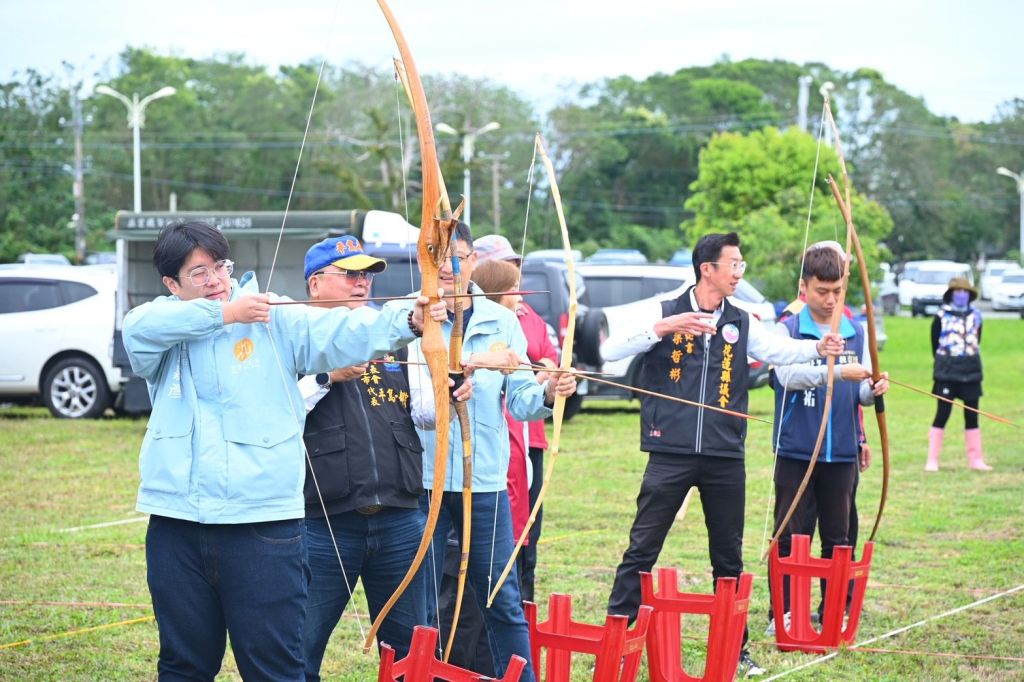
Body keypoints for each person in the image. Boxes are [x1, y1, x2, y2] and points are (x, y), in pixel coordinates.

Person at [122, 221, 447, 680]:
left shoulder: (273, 314)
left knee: (274, 666)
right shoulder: (160, 325)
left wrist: (408, 321)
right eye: (199, 273)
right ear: (172, 284)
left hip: (263, 523)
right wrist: (226, 314)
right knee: (183, 664)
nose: (215, 280)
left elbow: (341, 330)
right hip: (177, 522)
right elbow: (139, 328)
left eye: (220, 267)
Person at [602, 232, 844, 678]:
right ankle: (616, 643)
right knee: (642, 549)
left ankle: (736, 649)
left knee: (728, 558)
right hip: (669, 452)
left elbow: (777, 350)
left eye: (741, 265)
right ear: (706, 269)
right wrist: (663, 328)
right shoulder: (665, 308)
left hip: (724, 455)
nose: (738, 273)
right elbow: (608, 350)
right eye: (733, 264)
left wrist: (817, 348)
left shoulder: (742, 318)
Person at [296, 235, 472, 677]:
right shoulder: (292, 336)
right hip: (322, 521)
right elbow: (274, 410)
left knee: (411, 651)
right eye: (350, 275)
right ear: (315, 284)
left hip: (399, 517)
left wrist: (450, 391)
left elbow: (424, 414)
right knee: (297, 646)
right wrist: (326, 376)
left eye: (367, 276)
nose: (362, 283)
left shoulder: (394, 335)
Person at [411, 221, 577, 682]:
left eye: (457, 256)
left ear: (473, 261)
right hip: (421, 481)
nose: (448, 267)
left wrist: (549, 391)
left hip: (483, 481)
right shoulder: (413, 316)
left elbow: (521, 401)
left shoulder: (502, 321)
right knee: (420, 600)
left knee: (500, 595)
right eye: (438, 256)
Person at [767, 240, 888, 633]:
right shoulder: (788, 328)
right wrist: (834, 371)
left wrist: (874, 388)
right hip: (797, 449)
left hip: (841, 452)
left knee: (839, 536)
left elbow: (862, 391)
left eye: (837, 291)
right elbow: (786, 376)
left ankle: (837, 608)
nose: (831, 299)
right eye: (822, 291)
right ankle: (785, 611)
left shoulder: (855, 331)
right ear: (803, 288)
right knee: (791, 534)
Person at [473, 234, 559, 602]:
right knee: (496, 532)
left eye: (516, 267)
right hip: (497, 439)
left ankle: (522, 604)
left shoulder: (527, 316)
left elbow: (550, 358)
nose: (516, 283)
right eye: (506, 271)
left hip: (529, 435)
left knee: (527, 527)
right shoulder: (483, 320)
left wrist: (544, 379)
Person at [926, 277, 991, 471]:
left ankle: (976, 460)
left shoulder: (976, 316)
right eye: (958, 291)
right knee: (942, 414)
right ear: (951, 294)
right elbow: (934, 344)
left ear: (970, 295)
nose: (961, 295)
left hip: (971, 373)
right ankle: (932, 459)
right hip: (947, 373)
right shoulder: (940, 316)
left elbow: (977, 340)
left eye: (965, 292)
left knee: (972, 416)